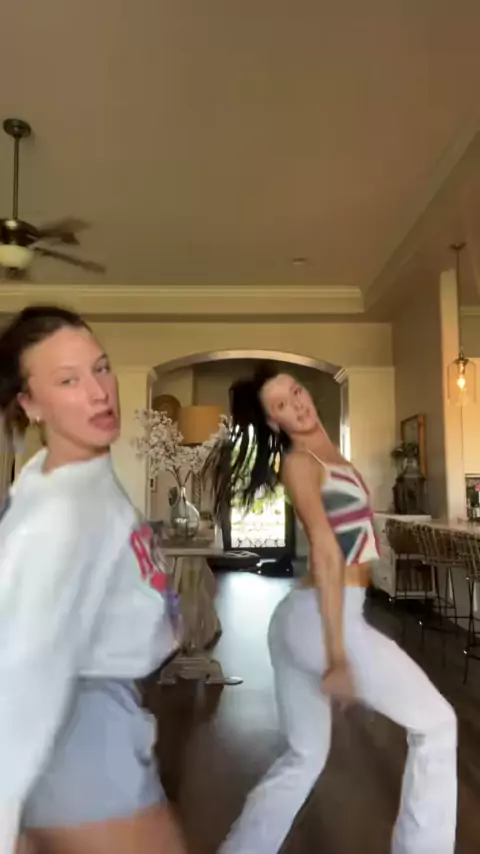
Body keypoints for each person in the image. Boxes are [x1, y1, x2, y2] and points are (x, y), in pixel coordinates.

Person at [211, 365, 457, 854]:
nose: (297, 404)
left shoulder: (332, 458)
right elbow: (325, 552)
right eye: (281, 405)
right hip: (324, 618)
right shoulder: (301, 463)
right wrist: (338, 655)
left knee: (304, 756)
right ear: (275, 421)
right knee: (438, 724)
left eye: (296, 392)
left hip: (295, 619)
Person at [0, 305, 189, 854]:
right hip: (76, 730)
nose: (100, 392)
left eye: (101, 368)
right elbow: (23, 678)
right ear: (30, 404)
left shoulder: (60, 476)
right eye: (68, 381)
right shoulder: (59, 517)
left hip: (104, 717)